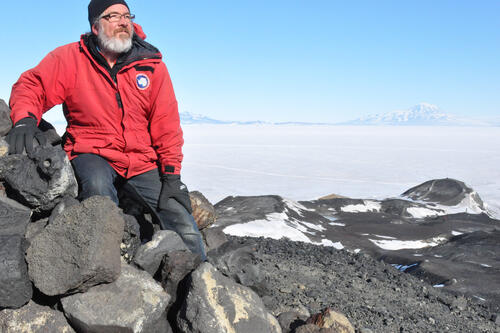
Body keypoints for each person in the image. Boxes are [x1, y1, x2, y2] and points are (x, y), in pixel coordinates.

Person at [6, 0, 206, 260]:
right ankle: (110, 271)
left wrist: (171, 175)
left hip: (140, 157)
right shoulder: (71, 58)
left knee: (179, 215)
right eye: (113, 16)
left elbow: (166, 124)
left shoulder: (150, 64)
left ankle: (202, 277)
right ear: (95, 26)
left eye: (127, 15)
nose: (124, 21)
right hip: (92, 150)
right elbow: (33, 86)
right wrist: (24, 118)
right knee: (99, 195)